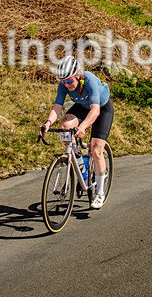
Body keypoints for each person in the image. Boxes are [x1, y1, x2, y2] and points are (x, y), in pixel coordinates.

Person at [40, 55, 114, 209]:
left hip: (101, 108)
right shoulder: (64, 85)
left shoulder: (89, 80)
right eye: (63, 82)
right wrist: (48, 123)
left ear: (78, 76)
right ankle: (79, 159)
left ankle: (99, 193)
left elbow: (95, 110)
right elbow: (58, 107)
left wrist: (83, 127)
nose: (66, 85)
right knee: (66, 125)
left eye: (69, 81)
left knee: (96, 149)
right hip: (82, 106)